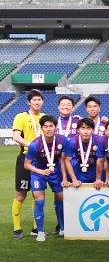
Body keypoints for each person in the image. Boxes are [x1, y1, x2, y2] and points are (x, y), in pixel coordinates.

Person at [23, 115, 67, 241]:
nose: (48, 129)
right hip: (38, 172)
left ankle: (62, 228)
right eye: (45, 127)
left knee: (61, 197)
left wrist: (64, 178)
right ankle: (40, 231)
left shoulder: (62, 140)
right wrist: (41, 171)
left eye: (51, 126)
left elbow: (64, 161)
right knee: (40, 201)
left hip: (55, 172)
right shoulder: (35, 144)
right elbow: (27, 165)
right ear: (41, 128)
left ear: (55, 127)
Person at [12, 89, 45, 239]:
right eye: (34, 100)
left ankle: (36, 228)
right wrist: (31, 145)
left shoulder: (45, 118)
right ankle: (17, 228)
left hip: (41, 160)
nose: (37, 102)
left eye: (39, 99)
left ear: (42, 102)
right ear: (29, 102)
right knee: (20, 194)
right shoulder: (21, 117)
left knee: (37, 194)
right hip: (25, 158)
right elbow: (16, 136)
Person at [62, 118, 103, 188]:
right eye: (83, 128)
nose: (86, 131)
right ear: (78, 130)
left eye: (88, 128)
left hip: (97, 170)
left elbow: (103, 160)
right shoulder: (72, 142)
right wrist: (74, 179)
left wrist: (98, 178)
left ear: (93, 130)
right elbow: (67, 161)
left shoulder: (100, 140)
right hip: (81, 171)